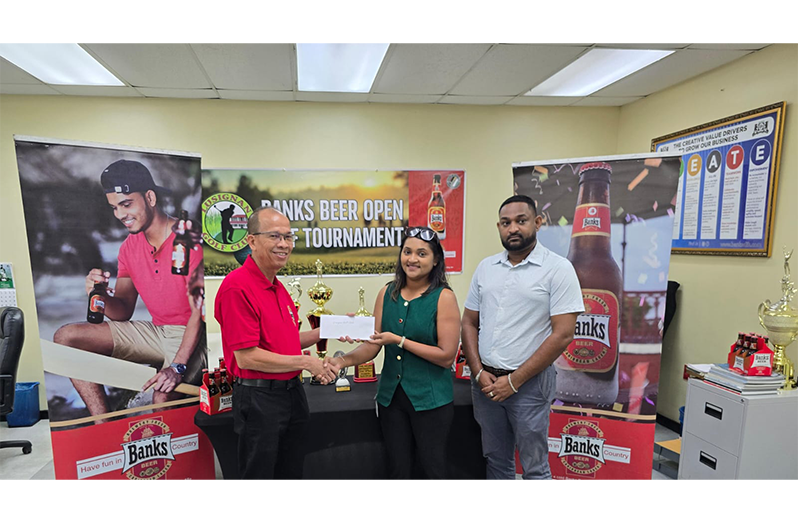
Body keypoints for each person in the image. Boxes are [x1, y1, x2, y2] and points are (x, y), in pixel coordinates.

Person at [53, 159, 206, 421]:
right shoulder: (128, 248)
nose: (120, 214)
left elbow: (199, 313)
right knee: (66, 337)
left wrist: (177, 367)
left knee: (162, 398)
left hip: (195, 334)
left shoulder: (188, 238)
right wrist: (99, 294)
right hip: (158, 332)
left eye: (126, 204)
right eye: (114, 207)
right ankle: (103, 425)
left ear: (150, 198)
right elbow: (123, 310)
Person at [461, 194, 584, 480]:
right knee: (496, 460)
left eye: (521, 221)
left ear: (538, 222)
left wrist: (514, 381)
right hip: (486, 383)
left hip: (529, 386)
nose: (513, 228)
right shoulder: (486, 268)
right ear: (499, 227)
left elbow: (563, 334)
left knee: (534, 467)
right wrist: (477, 372)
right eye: (506, 223)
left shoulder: (558, 269)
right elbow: (468, 322)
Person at [214, 206, 340, 480]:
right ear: (251, 241)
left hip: (291, 395)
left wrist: (333, 328)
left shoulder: (277, 286)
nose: (284, 244)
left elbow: (285, 342)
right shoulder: (237, 287)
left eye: (288, 237)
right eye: (274, 236)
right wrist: (307, 362)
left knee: (291, 471)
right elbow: (247, 357)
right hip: (260, 399)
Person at [326, 226, 461, 480]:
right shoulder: (387, 293)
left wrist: (399, 340)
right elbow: (373, 344)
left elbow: (446, 356)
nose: (412, 259)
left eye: (422, 254)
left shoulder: (443, 297)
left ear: (436, 260)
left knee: (433, 470)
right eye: (407, 252)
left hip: (430, 401)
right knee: (398, 470)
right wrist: (341, 361)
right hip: (391, 400)